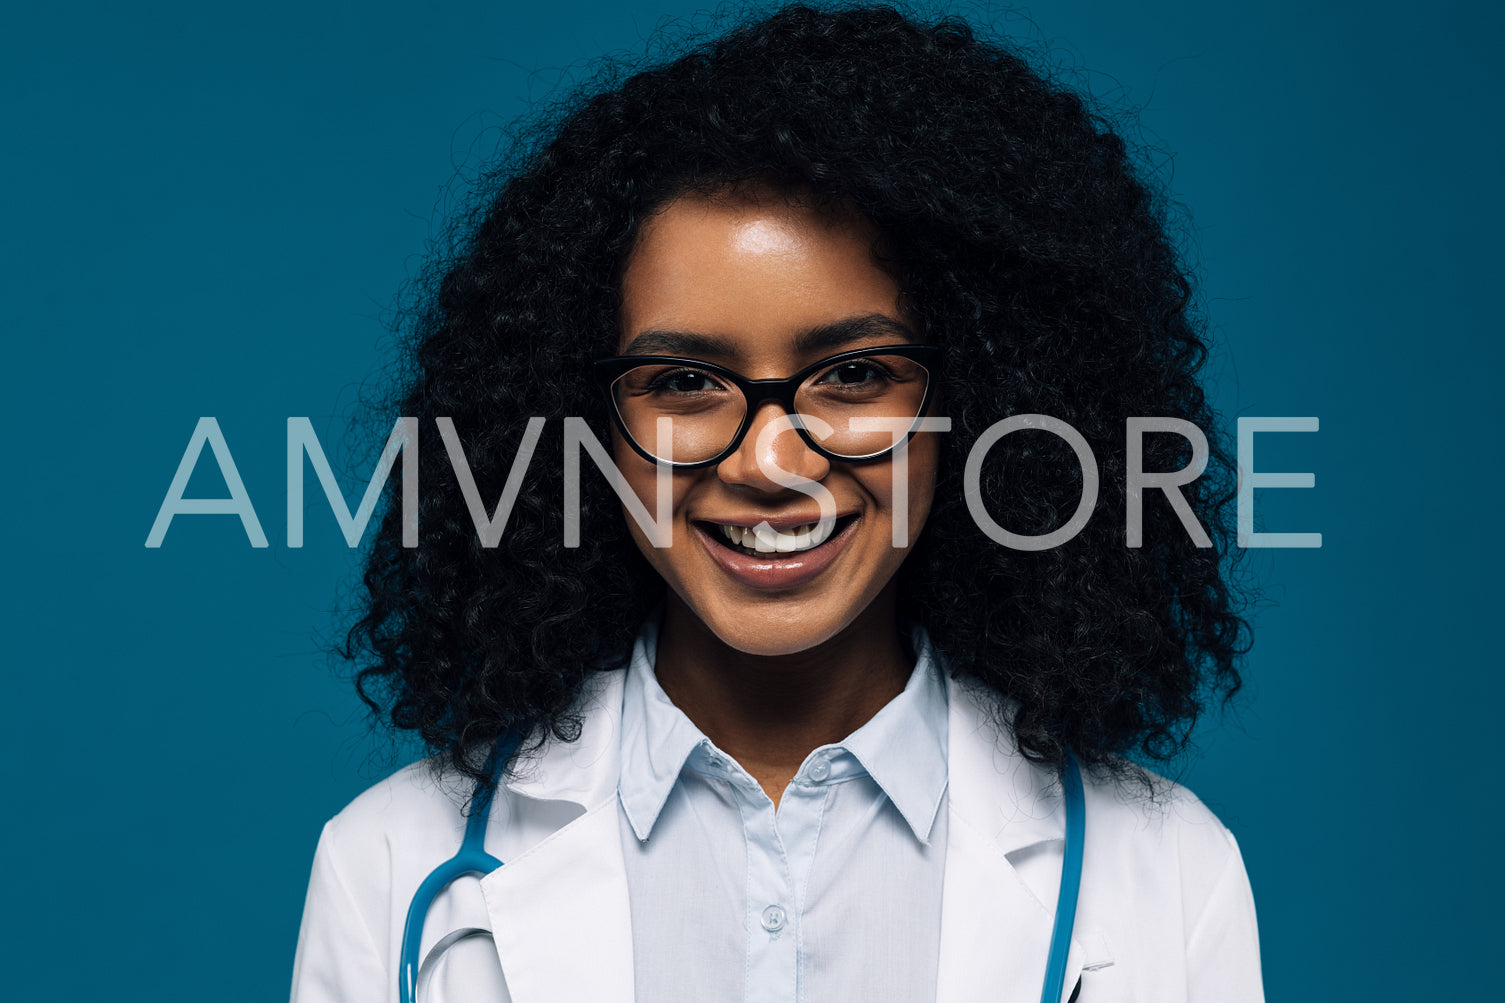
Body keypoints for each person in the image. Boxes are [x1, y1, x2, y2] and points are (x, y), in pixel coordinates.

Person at [289, 4, 1263, 1001]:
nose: (769, 460)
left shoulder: (1169, 875)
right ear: (581, 423)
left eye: (850, 374)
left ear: (978, 402)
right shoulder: (391, 865)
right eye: (681, 382)